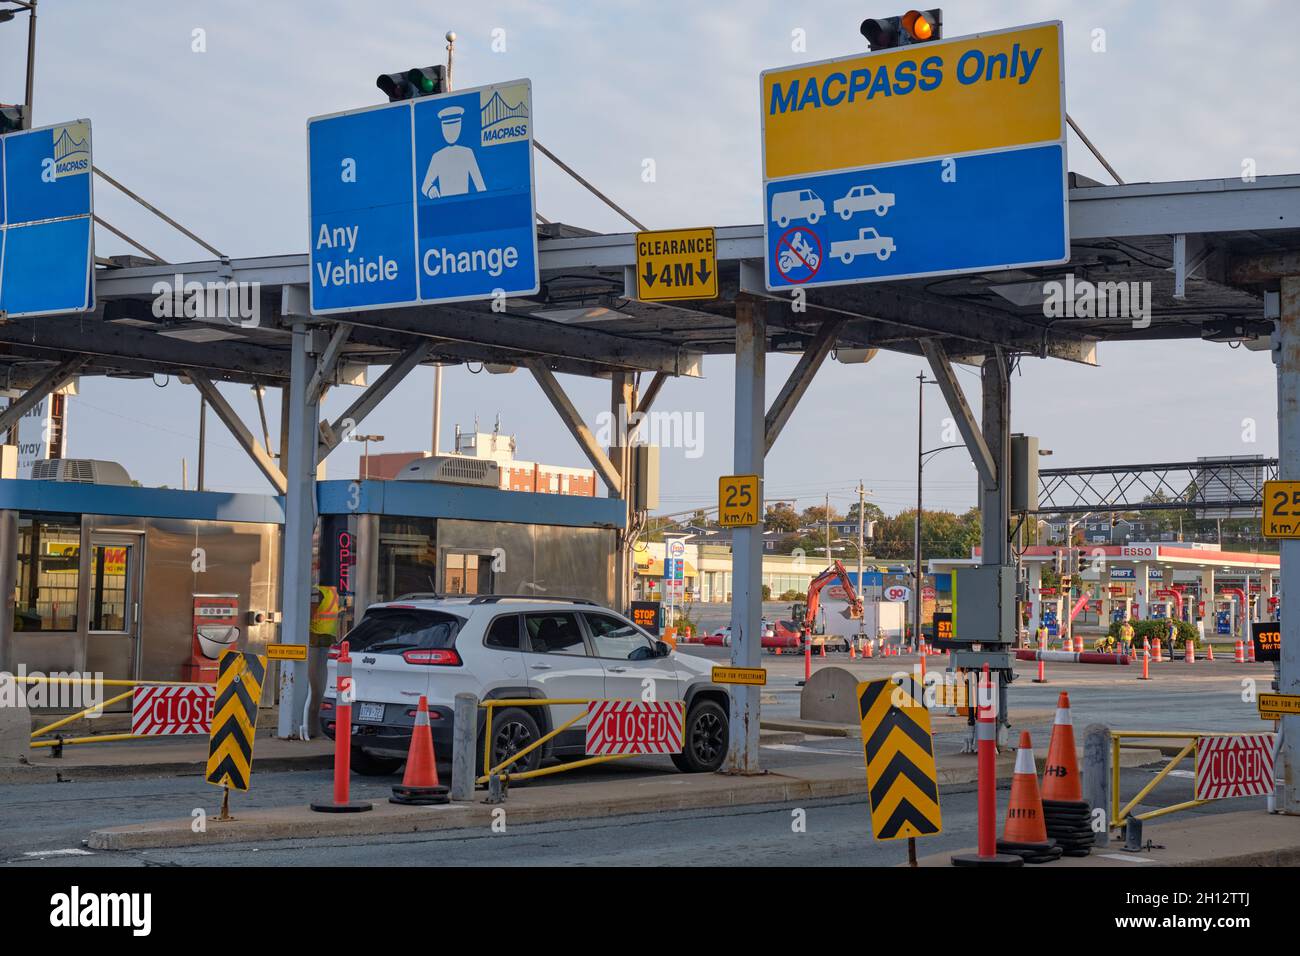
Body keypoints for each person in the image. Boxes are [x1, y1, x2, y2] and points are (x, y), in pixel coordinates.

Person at [421, 106, 486, 199]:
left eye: (455, 126)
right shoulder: (437, 156)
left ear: (460, 126)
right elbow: (424, 186)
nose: (451, 131)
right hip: (445, 207)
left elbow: (480, 186)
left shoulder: (467, 153)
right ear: (442, 128)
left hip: (465, 206)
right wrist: (430, 189)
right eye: (447, 126)